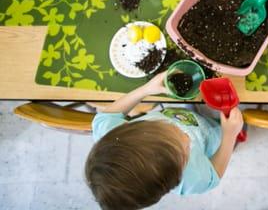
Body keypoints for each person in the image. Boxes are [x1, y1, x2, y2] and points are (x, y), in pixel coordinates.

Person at [84, 72, 244, 210]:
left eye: (165, 127)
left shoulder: (111, 134)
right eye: (185, 150)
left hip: (183, 115)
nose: (186, 136)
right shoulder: (193, 179)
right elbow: (215, 173)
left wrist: (146, 89)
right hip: (213, 136)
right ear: (173, 180)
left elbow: (105, 116)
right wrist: (230, 135)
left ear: (132, 126)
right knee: (234, 129)